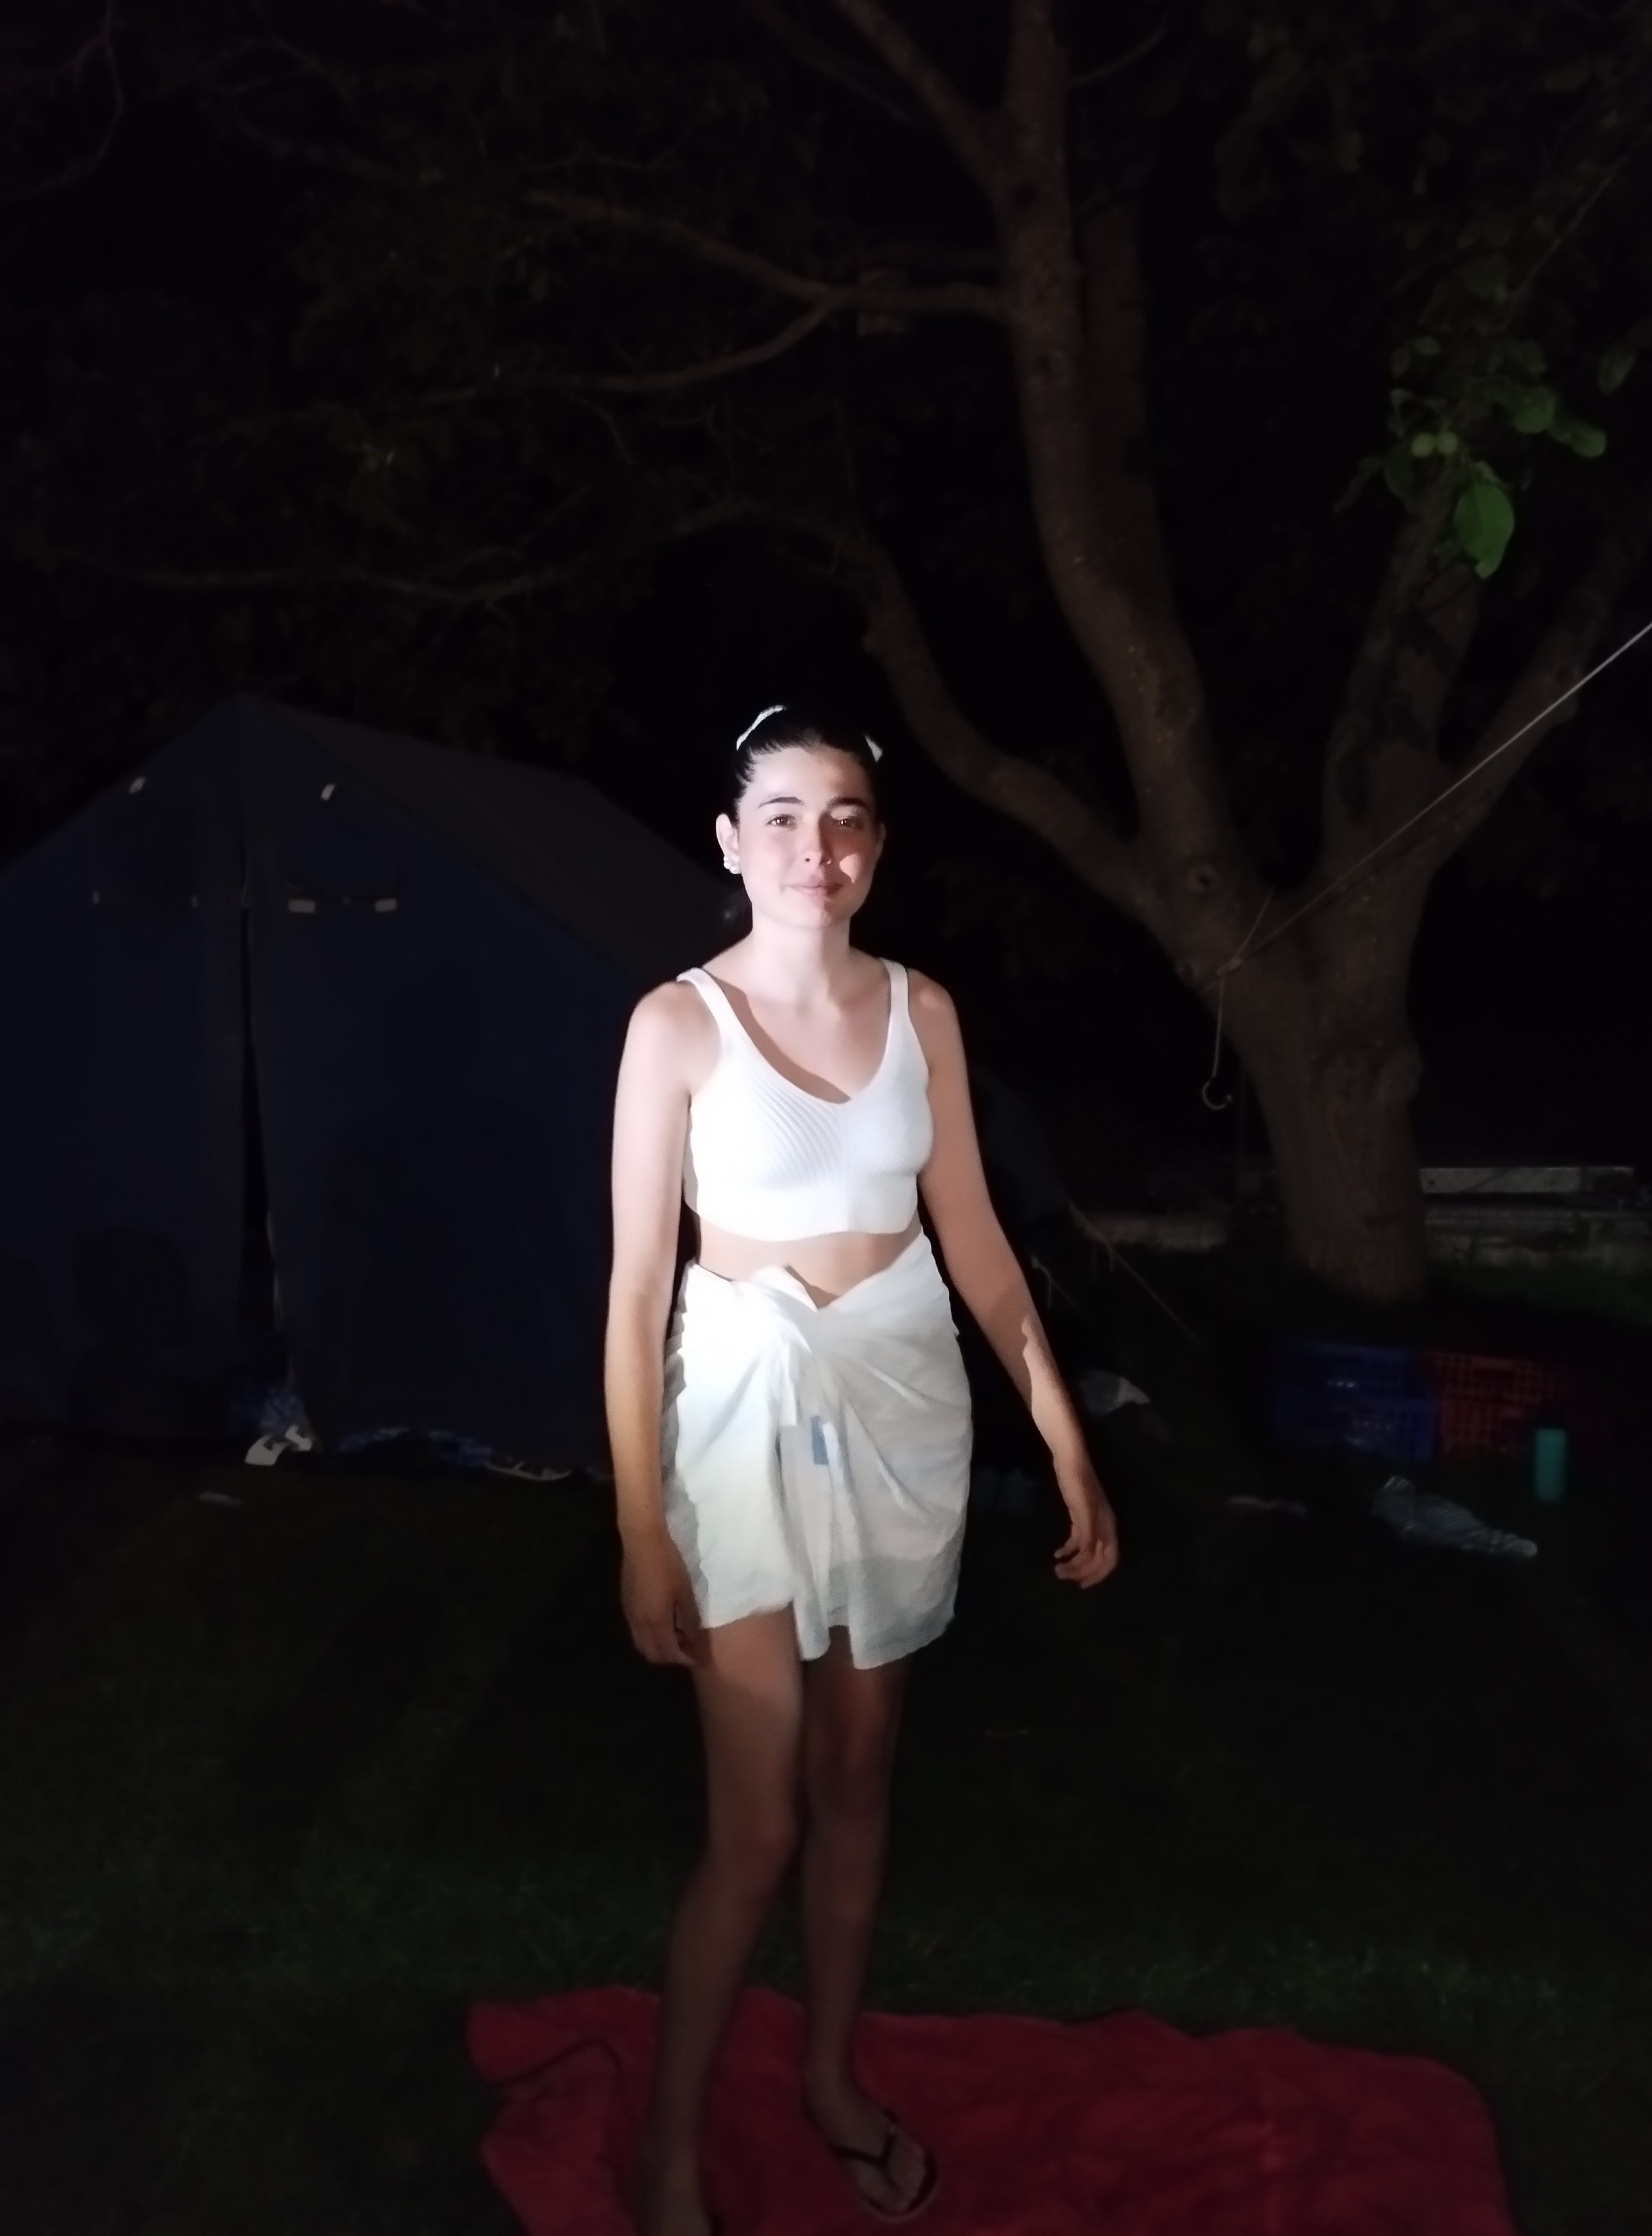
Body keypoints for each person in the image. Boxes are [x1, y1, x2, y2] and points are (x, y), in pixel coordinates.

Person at [604, 704, 1119, 2236]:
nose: (813, 849)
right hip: (741, 1418)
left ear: (876, 850)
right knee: (757, 1822)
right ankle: (671, 2151)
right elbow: (637, 1294)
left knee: (857, 1775)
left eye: (843, 820)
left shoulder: (923, 1013)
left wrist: (1068, 1442)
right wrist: (642, 1530)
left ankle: (829, 2079)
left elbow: (979, 1247)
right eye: (781, 817)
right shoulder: (675, 1026)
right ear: (730, 841)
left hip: (899, 1406)